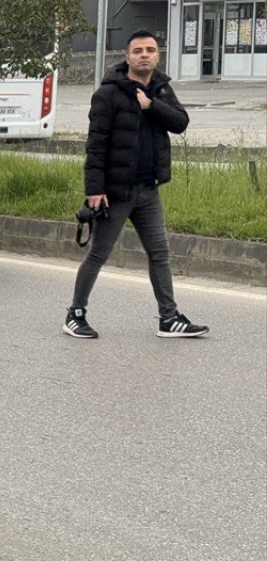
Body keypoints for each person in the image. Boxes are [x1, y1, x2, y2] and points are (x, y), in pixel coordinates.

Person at [64, 29, 208, 340]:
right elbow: (96, 145)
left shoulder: (161, 90)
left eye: (151, 50)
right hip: (115, 193)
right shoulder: (108, 94)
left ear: (158, 56)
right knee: (99, 254)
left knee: (160, 254)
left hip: (148, 191)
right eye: (138, 50)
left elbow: (181, 123)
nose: (145, 55)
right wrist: (94, 190)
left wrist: (150, 106)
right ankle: (75, 313)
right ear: (127, 56)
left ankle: (168, 319)